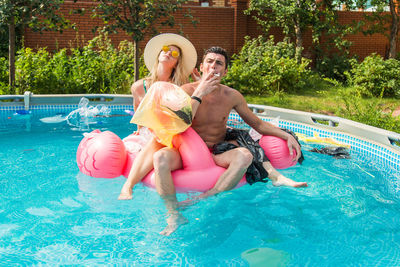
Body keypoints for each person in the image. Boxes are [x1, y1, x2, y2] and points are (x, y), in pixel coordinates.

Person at [152, 47, 308, 236]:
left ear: (225, 71)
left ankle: (205, 197)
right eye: (209, 61)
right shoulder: (186, 90)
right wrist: (199, 92)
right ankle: (173, 214)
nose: (213, 66)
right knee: (160, 158)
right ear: (201, 67)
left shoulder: (232, 96)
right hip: (187, 152)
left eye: (219, 63)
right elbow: (181, 124)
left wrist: (286, 135)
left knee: (245, 155)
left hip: (216, 152)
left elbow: (256, 123)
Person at [118, 33, 198, 200]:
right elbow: (139, 111)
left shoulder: (180, 87)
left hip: (173, 134)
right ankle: (129, 186)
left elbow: (186, 115)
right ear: (159, 54)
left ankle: (128, 186)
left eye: (174, 53)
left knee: (158, 140)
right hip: (153, 133)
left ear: (177, 63)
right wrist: (138, 131)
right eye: (165, 49)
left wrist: (199, 83)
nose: (168, 53)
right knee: (154, 139)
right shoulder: (139, 87)